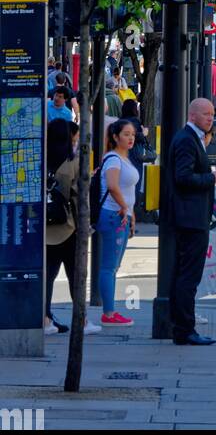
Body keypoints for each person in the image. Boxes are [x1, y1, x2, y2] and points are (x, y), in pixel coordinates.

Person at [164, 98, 216, 346]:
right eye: (206, 114)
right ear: (192, 116)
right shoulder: (186, 140)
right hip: (190, 219)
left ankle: (181, 327)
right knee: (189, 276)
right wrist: (213, 177)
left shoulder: (191, 139)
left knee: (184, 274)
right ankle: (184, 329)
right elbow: (183, 178)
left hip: (191, 217)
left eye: (212, 115)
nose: (210, 119)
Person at [44, 121, 100, 335]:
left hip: (46, 229)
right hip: (69, 227)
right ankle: (82, 321)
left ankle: (45, 319)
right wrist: (85, 227)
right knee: (76, 276)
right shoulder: (74, 162)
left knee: (47, 277)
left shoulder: (41, 159)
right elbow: (79, 200)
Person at [96, 119, 140, 326]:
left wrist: (131, 213)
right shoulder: (113, 159)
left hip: (122, 216)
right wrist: (124, 207)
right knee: (108, 267)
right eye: (126, 134)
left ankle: (110, 312)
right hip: (114, 216)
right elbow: (113, 186)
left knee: (113, 267)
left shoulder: (124, 158)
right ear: (115, 137)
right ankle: (109, 313)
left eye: (132, 134)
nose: (131, 138)